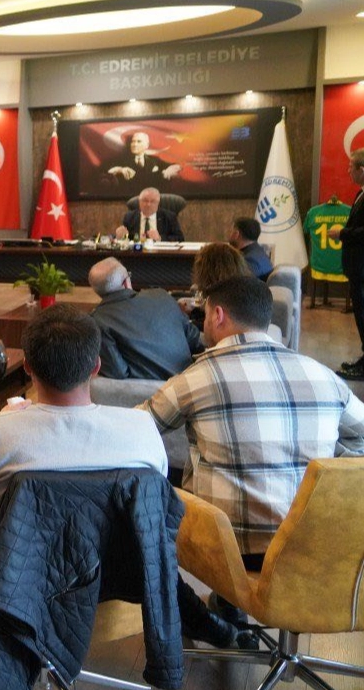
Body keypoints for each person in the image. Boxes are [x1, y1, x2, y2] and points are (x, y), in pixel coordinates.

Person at [0, 304, 235, 646]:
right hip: (121, 578)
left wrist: (10, 420)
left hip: (18, 581)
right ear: (96, 366)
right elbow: (151, 507)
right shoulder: (142, 429)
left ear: (28, 367)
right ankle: (203, 623)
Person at [141, 276, 364, 568]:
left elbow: (137, 428)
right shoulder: (324, 376)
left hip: (230, 554)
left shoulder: (195, 380)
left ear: (218, 315)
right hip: (312, 550)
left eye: (205, 316)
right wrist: (326, 460)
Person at [88, 256, 202, 380]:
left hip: (148, 390)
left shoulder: (97, 321)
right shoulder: (161, 295)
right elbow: (193, 338)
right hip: (193, 378)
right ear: (126, 283)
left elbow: (117, 372)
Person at [333, 149, 364, 379]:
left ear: (361, 169)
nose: (347, 171)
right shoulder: (360, 193)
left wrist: (341, 233)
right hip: (357, 267)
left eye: (350, 166)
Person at [180, 242, 250, 330]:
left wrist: (182, 317)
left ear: (205, 272)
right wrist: (193, 312)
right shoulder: (238, 294)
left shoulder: (217, 298)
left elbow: (208, 326)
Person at [116, 187, 184, 242]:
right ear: (139, 202)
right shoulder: (130, 217)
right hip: (137, 252)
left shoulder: (169, 217)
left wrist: (160, 238)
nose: (148, 204)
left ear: (158, 203)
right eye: (145, 201)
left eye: (153, 201)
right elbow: (128, 238)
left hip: (160, 253)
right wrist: (121, 236)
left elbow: (180, 238)